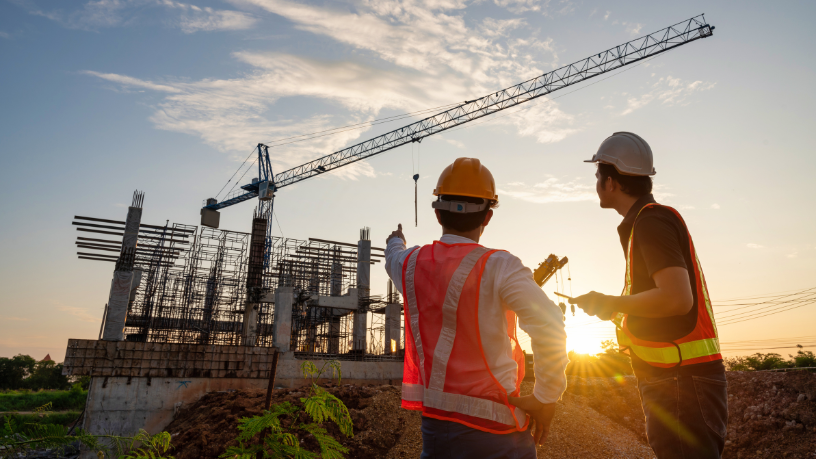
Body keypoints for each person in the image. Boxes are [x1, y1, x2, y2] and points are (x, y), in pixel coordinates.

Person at [384, 157, 568, 459]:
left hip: (436, 433)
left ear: (437, 212)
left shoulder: (410, 264)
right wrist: (546, 397)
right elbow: (550, 324)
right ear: (488, 217)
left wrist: (395, 240)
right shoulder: (499, 266)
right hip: (498, 435)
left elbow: (394, 256)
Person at [571, 132, 728, 459]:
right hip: (679, 380)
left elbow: (675, 299)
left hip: (681, 382)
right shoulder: (645, 223)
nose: (597, 183)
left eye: (598, 176)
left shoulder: (651, 222)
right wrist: (610, 308)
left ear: (611, 182)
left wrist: (610, 302)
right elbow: (658, 303)